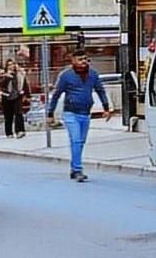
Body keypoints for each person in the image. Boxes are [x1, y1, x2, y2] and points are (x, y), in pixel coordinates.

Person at [45, 52, 111, 181]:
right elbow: (57, 94)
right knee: (76, 140)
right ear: (73, 61)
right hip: (71, 113)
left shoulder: (93, 74)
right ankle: (77, 170)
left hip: (85, 113)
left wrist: (106, 108)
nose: (84, 62)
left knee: (80, 142)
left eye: (86, 59)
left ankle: (73, 167)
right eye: (80, 59)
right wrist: (50, 113)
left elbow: (100, 90)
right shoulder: (66, 76)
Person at [0, 59, 29, 139]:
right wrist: (7, 77)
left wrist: (27, 94)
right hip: (6, 96)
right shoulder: (3, 74)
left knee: (19, 113)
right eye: (9, 64)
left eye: (13, 64)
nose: (11, 66)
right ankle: (9, 133)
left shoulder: (20, 73)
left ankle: (20, 131)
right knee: (8, 116)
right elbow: (1, 85)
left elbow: (25, 84)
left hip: (18, 95)